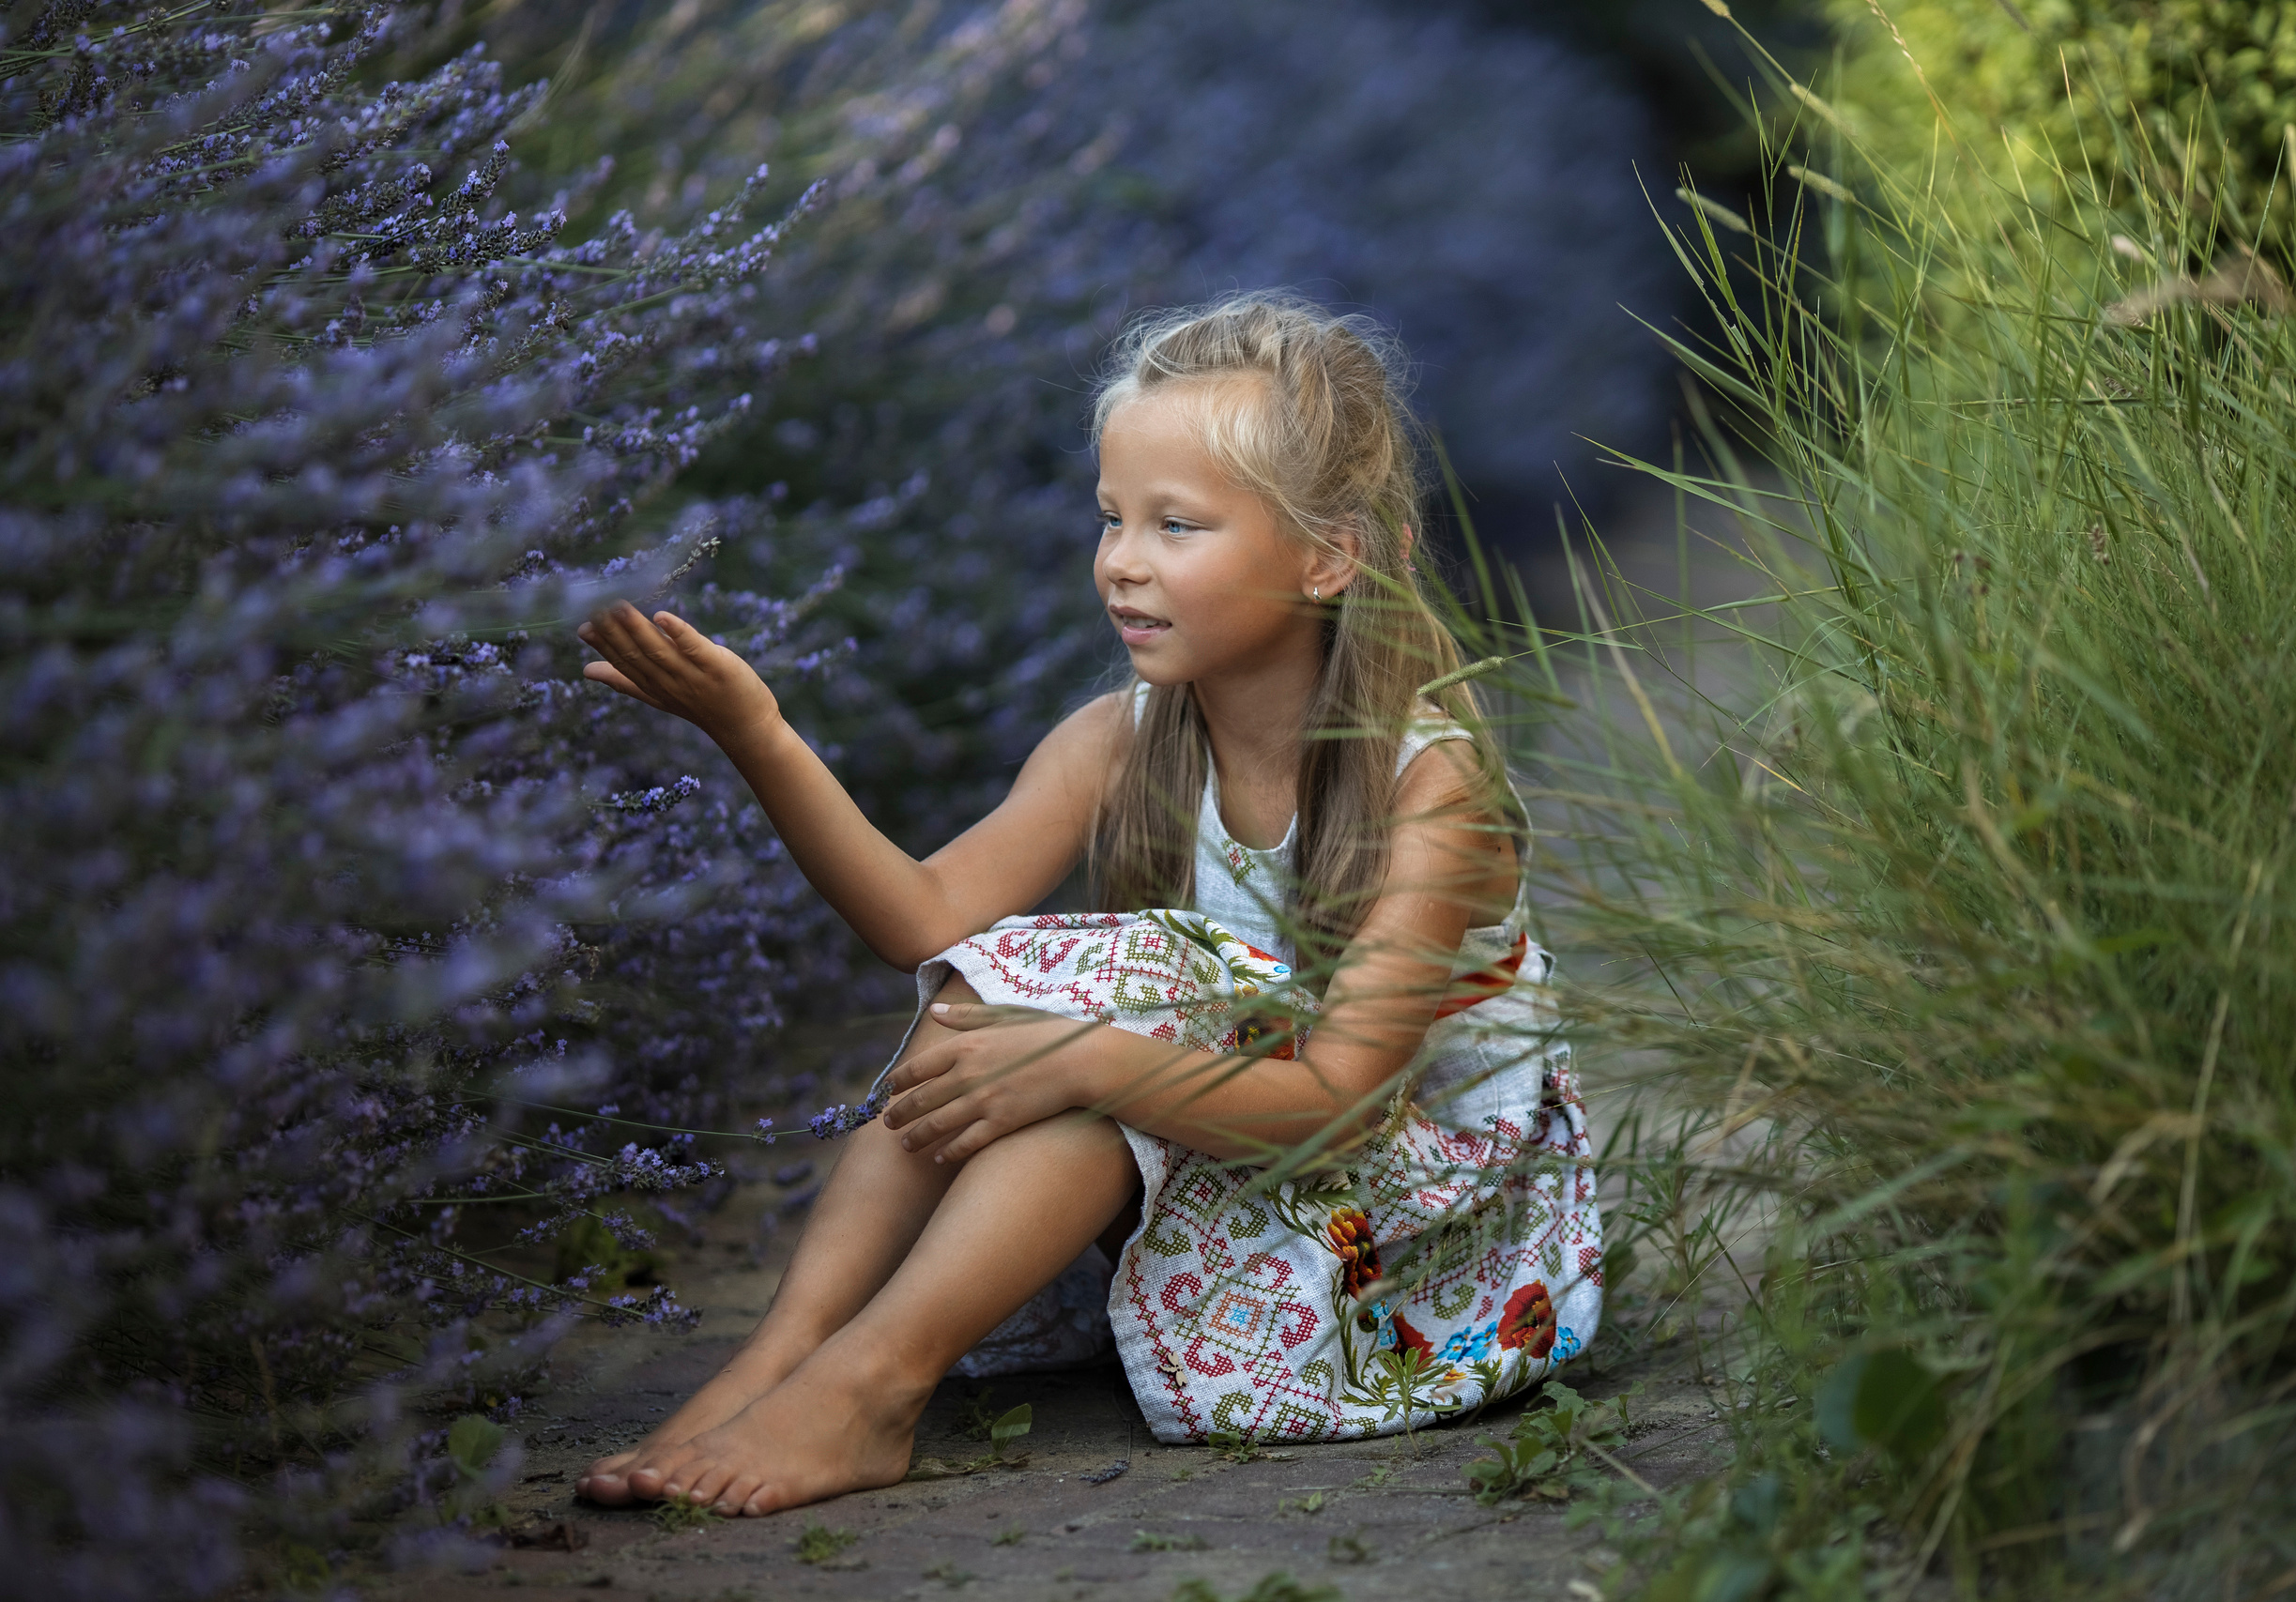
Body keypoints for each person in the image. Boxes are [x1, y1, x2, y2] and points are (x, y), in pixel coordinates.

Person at [572, 292, 1604, 1518]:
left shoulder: (1425, 784)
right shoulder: (1122, 741)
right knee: (1003, 999)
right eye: (1111, 518)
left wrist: (1087, 1058)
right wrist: (759, 735)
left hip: (1417, 1254)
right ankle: (790, 1355)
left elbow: (1337, 1106)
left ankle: (873, 1383)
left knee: (1103, 1028)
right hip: (1238, 1157)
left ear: (1330, 555)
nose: (1121, 560)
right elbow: (925, 918)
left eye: (1178, 525)